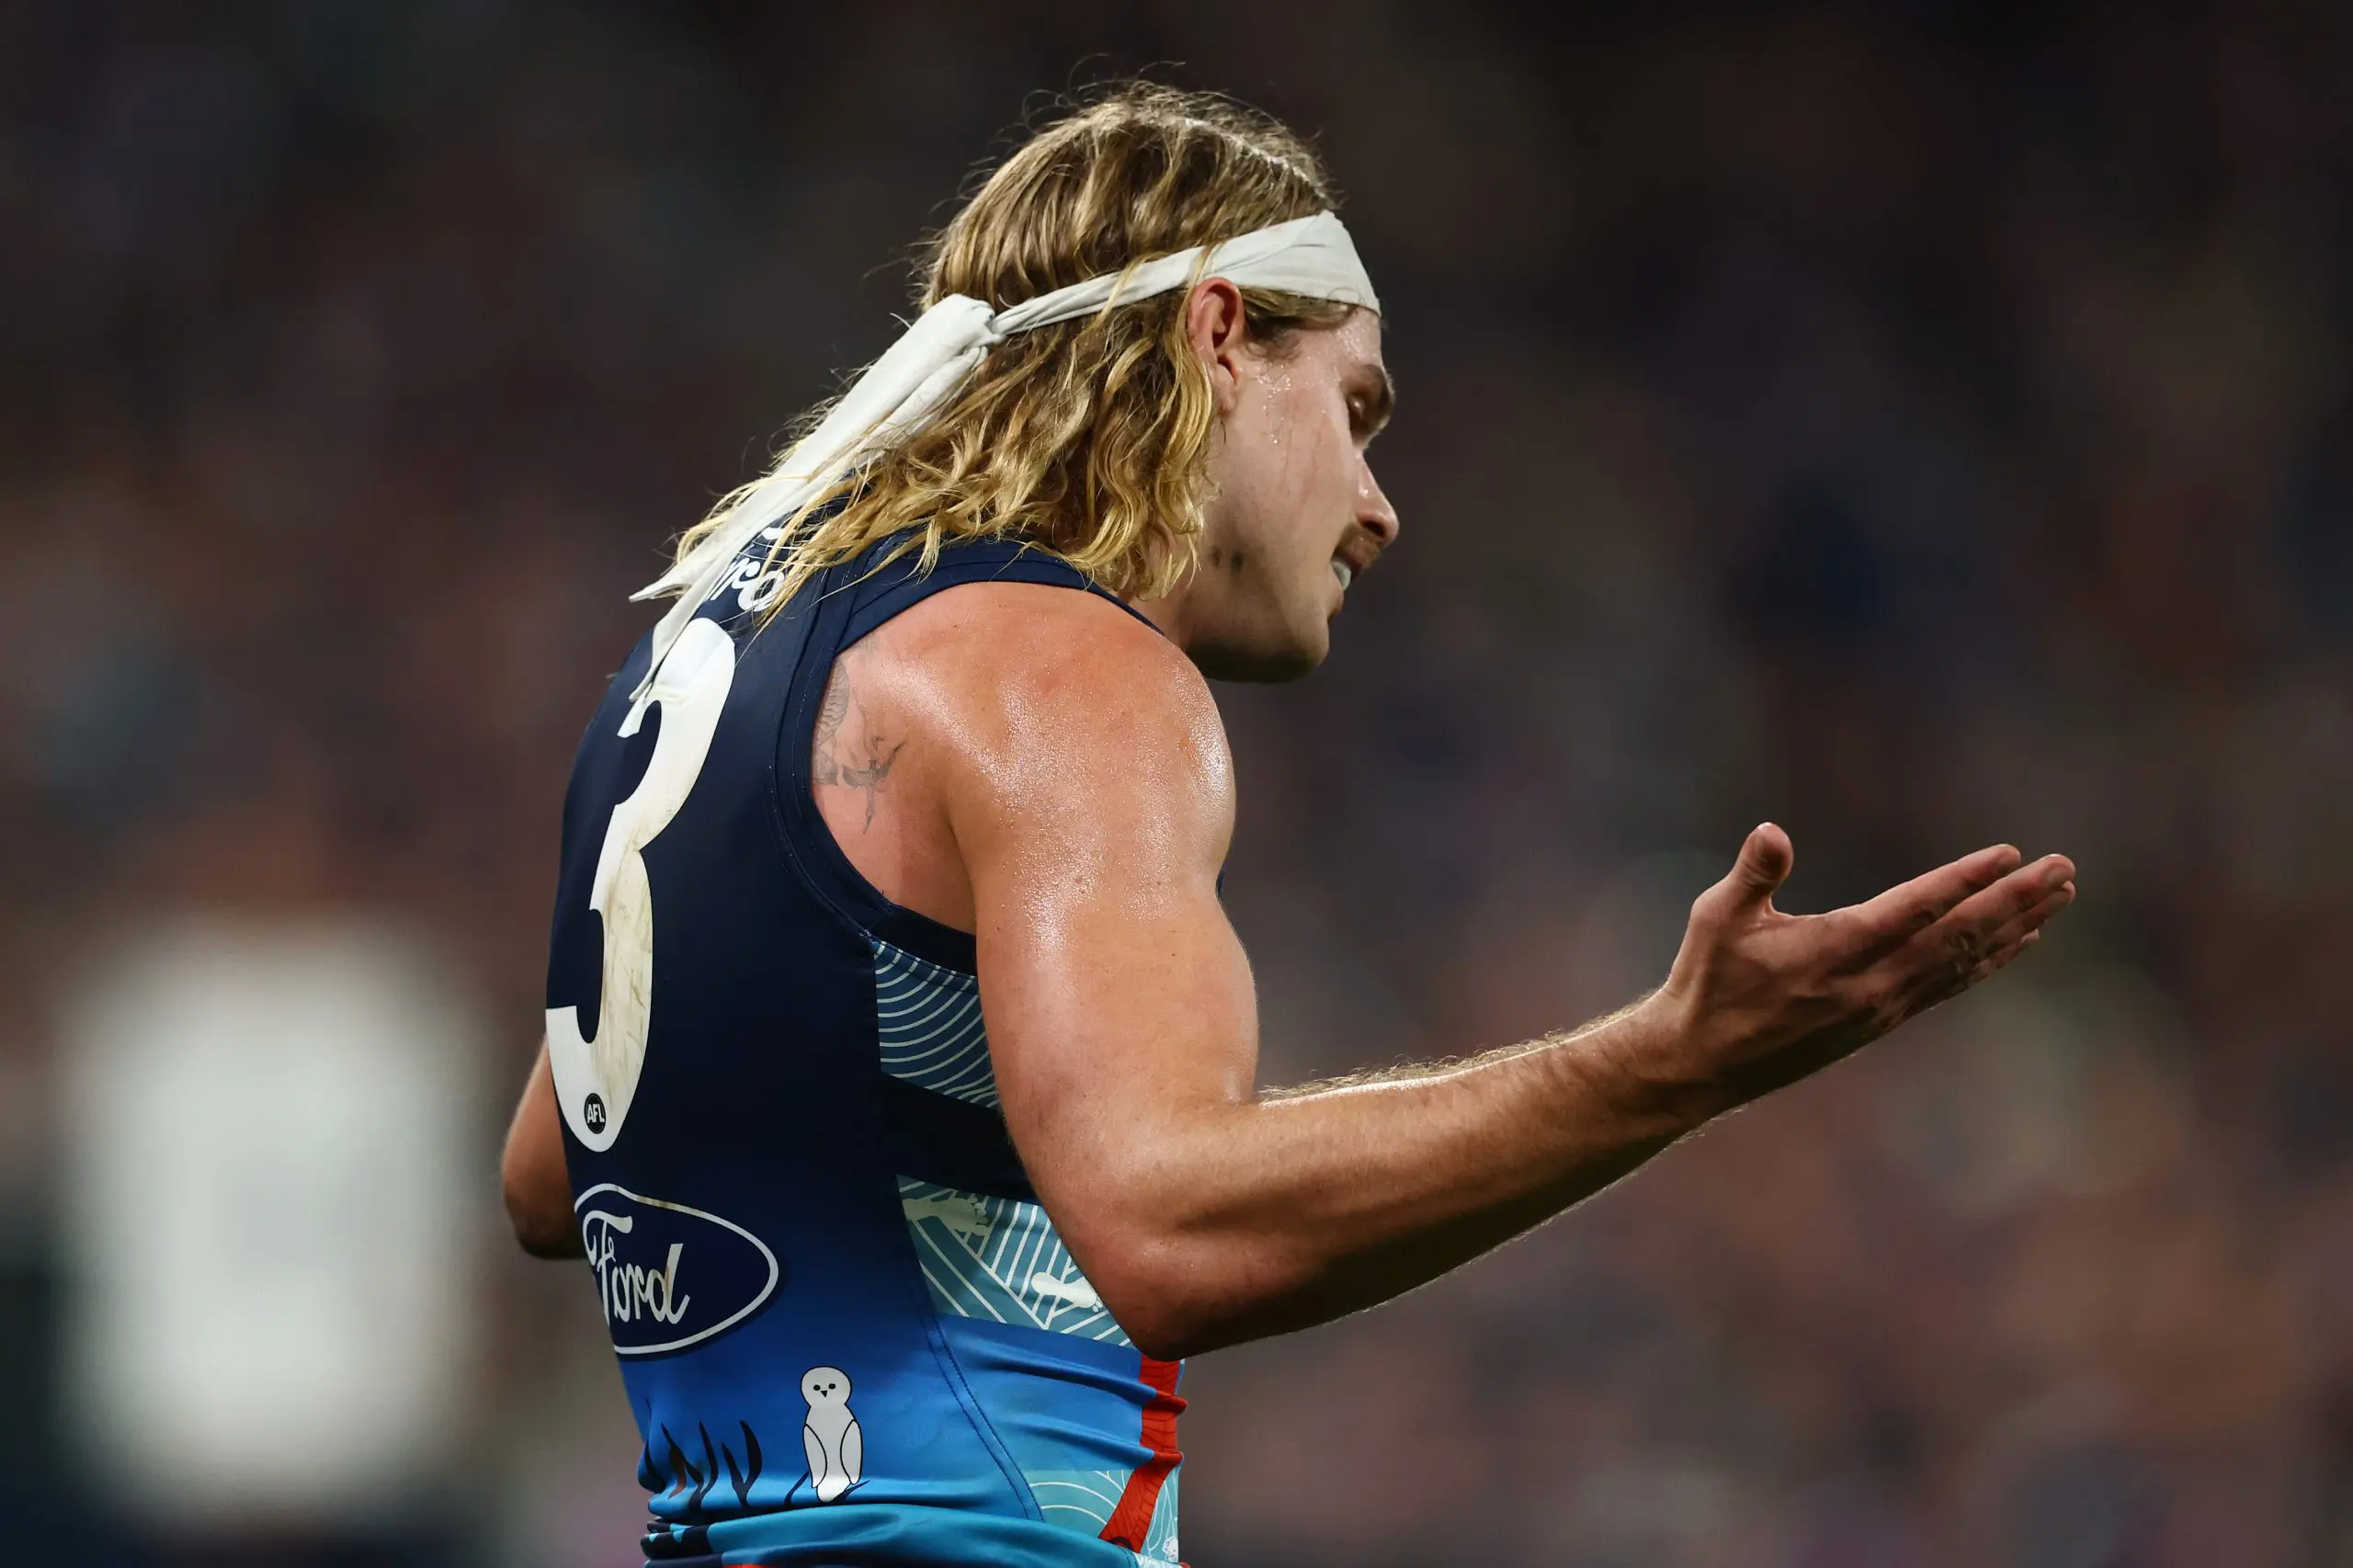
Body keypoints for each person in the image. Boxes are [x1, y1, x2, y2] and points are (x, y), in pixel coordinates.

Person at [499, 84, 2076, 1567]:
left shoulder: (700, 670)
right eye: (1359, 406)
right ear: (1218, 332)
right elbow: (1165, 1221)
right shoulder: (1064, 665)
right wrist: (1671, 1063)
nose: (1380, 503)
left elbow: (553, 1171)